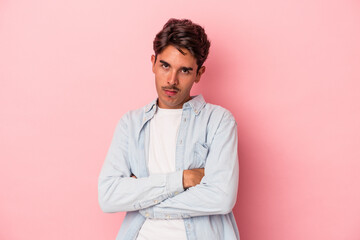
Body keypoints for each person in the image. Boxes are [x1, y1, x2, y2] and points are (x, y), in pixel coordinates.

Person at [98, 18, 240, 240]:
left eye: (184, 70)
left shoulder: (219, 121)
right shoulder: (131, 124)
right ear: (153, 63)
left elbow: (222, 197)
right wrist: (183, 179)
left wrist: (144, 200)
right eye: (165, 66)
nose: (172, 80)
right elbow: (108, 196)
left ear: (199, 73)